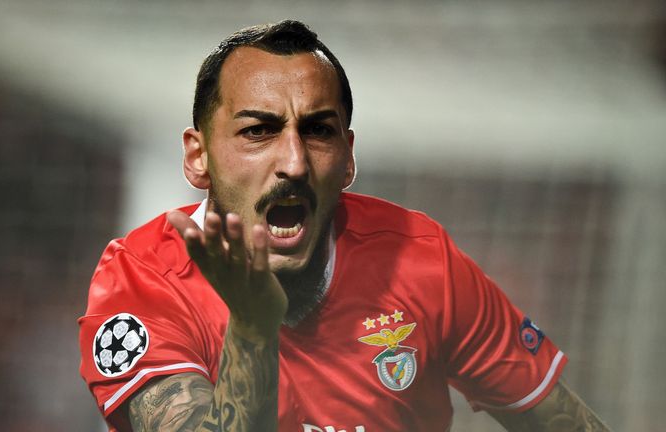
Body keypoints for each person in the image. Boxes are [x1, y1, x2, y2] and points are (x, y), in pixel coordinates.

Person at [78, 20, 610, 432]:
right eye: (259, 131)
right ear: (198, 158)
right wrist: (253, 326)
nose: (294, 162)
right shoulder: (142, 279)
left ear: (348, 157)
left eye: (318, 131)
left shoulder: (422, 261)